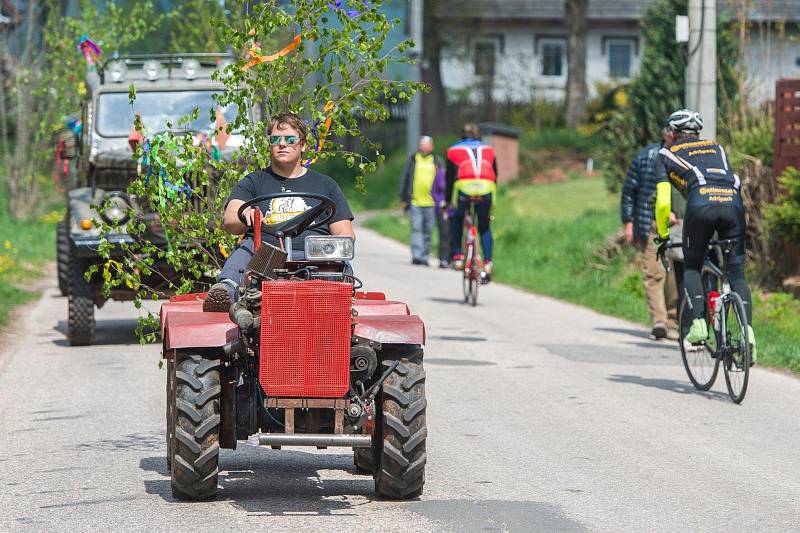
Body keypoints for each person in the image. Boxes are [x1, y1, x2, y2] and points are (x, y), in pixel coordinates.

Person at [203, 112, 355, 312]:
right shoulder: (254, 182)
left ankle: (342, 298)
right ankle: (226, 289)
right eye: (276, 139)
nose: (282, 144)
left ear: (303, 145)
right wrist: (244, 214)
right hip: (265, 256)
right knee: (248, 246)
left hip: (315, 257)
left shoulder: (326, 185)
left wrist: (328, 251)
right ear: (270, 144)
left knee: (340, 263)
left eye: (290, 139)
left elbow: (345, 234)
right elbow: (229, 220)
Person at [654, 109, 756, 361]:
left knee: (692, 265)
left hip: (701, 205)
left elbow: (664, 202)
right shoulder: (717, 148)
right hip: (733, 204)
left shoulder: (666, 153)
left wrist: (664, 234)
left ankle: (698, 324)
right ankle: (748, 333)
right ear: (697, 132)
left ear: (673, 133)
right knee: (737, 273)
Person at [620, 127, 680, 340]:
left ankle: (673, 321)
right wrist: (629, 223)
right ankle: (659, 321)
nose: (673, 134)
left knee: (675, 275)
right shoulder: (646, 156)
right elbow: (629, 192)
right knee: (654, 274)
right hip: (651, 223)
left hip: (678, 226)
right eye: (670, 130)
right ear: (665, 134)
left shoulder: (687, 158)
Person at [445, 123, 497, 280]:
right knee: (484, 225)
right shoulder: (489, 150)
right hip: (487, 188)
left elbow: (449, 179)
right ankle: (488, 262)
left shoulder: (453, 150)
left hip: (464, 188)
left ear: (461, 136)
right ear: (479, 136)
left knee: (457, 218)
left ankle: (458, 256)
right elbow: (496, 175)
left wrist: (447, 202)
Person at [400, 135, 445, 266]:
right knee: (416, 228)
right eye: (422, 145)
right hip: (415, 201)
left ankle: (425, 256)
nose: (424, 147)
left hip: (431, 203)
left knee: (428, 230)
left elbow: (443, 180)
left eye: (427, 145)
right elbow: (405, 178)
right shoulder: (413, 159)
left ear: (432, 147)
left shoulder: (437, 161)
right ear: (419, 146)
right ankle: (417, 256)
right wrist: (403, 197)